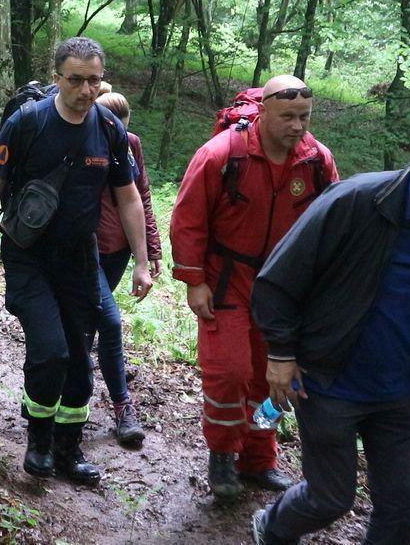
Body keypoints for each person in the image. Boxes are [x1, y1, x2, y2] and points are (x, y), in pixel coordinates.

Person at [249, 117, 410, 545]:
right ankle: (273, 527)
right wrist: (281, 355)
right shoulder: (358, 202)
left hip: (404, 393)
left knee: (404, 502)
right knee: (330, 497)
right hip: (330, 383)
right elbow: (277, 280)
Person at [0, 37, 154, 486]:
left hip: (80, 260)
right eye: (76, 79)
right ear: (57, 78)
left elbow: (129, 197)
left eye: (94, 80)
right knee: (51, 350)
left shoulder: (110, 129)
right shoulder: (27, 123)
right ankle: (38, 441)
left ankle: (69, 451)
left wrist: (142, 261)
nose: (87, 90)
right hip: (29, 257)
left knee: (78, 356)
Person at [170, 75, 339, 503]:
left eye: (304, 117)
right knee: (229, 372)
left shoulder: (316, 162)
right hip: (228, 279)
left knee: (274, 376)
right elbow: (188, 217)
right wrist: (194, 280)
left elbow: (333, 225)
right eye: (288, 117)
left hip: (284, 288)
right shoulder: (222, 154)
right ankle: (223, 455)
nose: (298, 126)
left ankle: (260, 458)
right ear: (263, 112)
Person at [92, 91, 162, 449]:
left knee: (91, 321)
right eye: (110, 123)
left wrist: (149, 252)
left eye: (123, 123)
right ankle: (123, 407)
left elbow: (141, 196)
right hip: (85, 250)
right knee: (110, 321)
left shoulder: (130, 144)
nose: (117, 130)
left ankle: (76, 378)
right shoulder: (82, 141)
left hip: (119, 249)